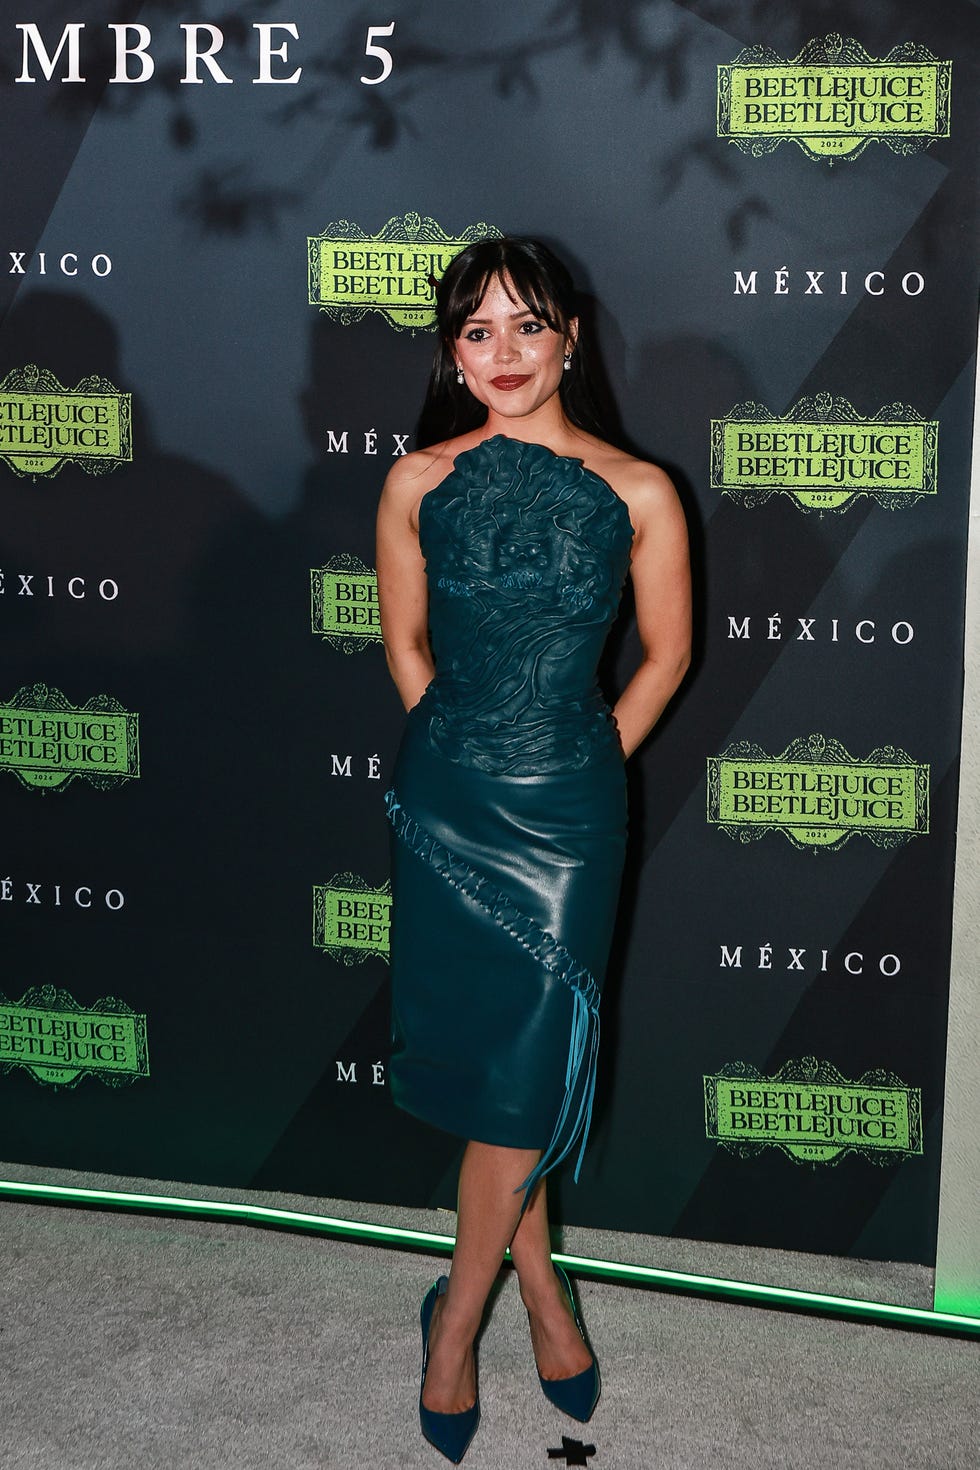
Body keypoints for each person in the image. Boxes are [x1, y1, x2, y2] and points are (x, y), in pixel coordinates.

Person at [376, 237, 691, 1463]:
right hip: (451, 798)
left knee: (530, 1061)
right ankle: (540, 1296)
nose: (502, 354)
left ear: (569, 336)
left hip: (567, 813)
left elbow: (664, 655)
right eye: (475, 332)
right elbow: (405, 642)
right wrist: (463, 743)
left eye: (524, 326)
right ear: (451, 353)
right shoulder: (415, 480)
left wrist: (580, 749)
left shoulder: (638, 488)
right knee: (496, 1070)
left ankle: (454, 1324)